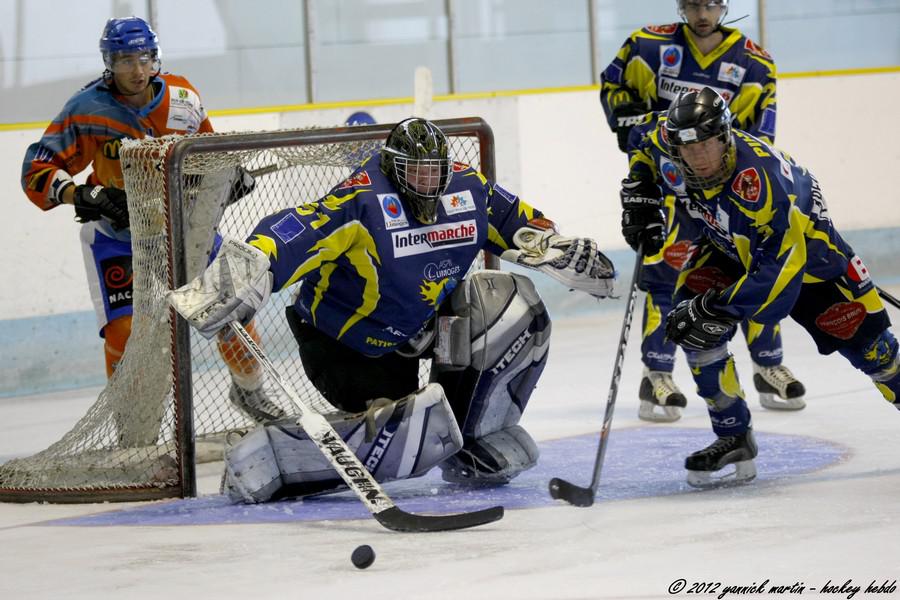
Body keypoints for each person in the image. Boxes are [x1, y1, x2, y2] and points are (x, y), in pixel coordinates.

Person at [168, 117, 617, 503]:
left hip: (418, 333)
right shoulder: (362, 198)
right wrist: (254, 263)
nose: (427, 183)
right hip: (346, 349)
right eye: (416, 174)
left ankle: (472, 441)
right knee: (406, 433)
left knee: (512, 305)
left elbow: (516, 222)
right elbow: (297, 228)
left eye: (433, 173)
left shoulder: (466, 187)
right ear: (394, 169)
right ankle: (277, 457)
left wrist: (553, 247)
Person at [621, 87, 900, 488]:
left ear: (724, 135)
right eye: (687, 147)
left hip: (811, 269)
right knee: (691, 326)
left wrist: (716, 309)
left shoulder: (760, 183)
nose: (697, 157)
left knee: (879, 356)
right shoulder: (670, 142)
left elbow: (779, 280)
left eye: (706, 144)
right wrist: (640, 198)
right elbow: (643, 147)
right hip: (728, 248)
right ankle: (733, 436)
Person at [20, 16, 282, 424]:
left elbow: (210, 154)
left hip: (189, 231)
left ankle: (251, 394)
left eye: (143, 58)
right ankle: (133, 425)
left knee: (235, 319)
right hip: (118, 240)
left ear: (155, 57)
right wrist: (82, 194)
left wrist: (231, 178)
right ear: (109, 62)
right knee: (126, 338)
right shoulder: (86, 108)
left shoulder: (183, 97)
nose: (137, 70)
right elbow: (36, 170)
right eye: (125, 60)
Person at [599, 0, 804, 422]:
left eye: (710, 4)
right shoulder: (648, 45)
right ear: (681, 6)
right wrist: (629, 125)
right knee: (662, 277)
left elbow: (761, 136)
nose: (701, 14)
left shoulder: (753, 62)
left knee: (755, 267)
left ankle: (767, 365)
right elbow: (615, 90)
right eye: (692, 5)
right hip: (670, 189)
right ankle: (657, 374)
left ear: (724, 6)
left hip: (727, 192)